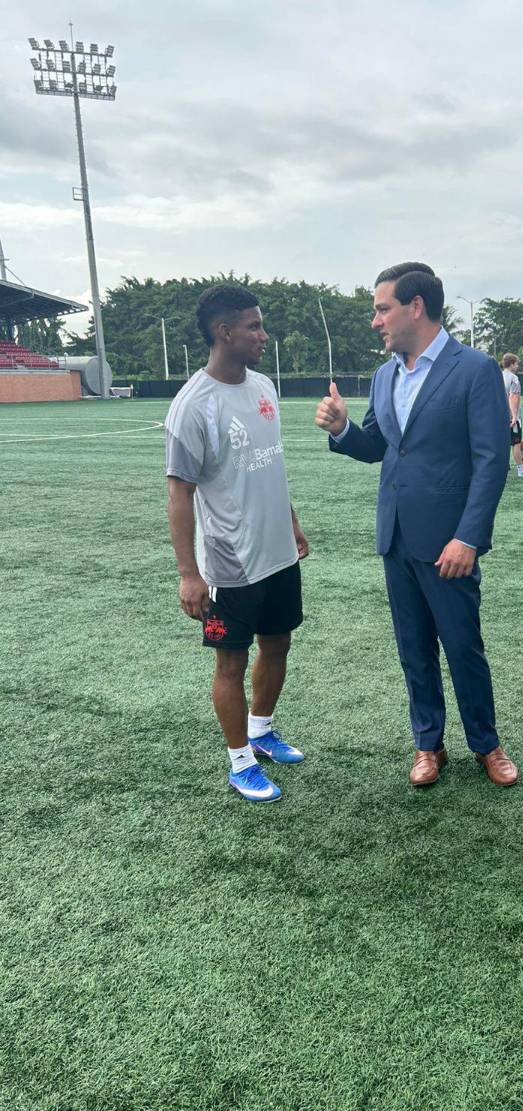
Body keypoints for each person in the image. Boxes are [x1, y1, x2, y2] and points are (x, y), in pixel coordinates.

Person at [314, 262, 518, 787]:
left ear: (416, 307)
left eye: (382, 309)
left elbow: (491, 460)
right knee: (413, 649)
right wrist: (343, 430)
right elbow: (379, 446)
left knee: (463, 647)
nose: (375, 321)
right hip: (397, 537)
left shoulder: (474, 369)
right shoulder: (386, 376)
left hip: (450, 542)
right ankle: (428, 745)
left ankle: (487, 745)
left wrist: (468, 537)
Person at [165, 284, 309, 804]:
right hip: (230, 566)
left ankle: (262, 730)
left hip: (278, 554)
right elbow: (179, 492)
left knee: (279, 644)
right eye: (254, 326)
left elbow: (272, 464)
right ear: (224, 332)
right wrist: (188, 573)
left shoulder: (265, 387)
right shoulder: (192, 406)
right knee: (230, 662)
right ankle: (239, 761)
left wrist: (291, 523)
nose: (263, 335)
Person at [502, 352, 523, 478]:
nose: (518, 366)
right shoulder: (513, 378)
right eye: (517, 363)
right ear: (512, 363)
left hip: (498, 415)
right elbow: (513, 397)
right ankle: (521, 470)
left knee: (502, 442)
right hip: (511, 416)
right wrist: (514, 416)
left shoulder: (497, 376)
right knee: (516, 442)